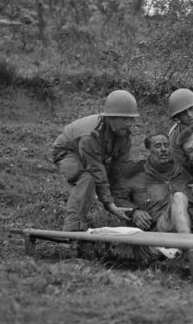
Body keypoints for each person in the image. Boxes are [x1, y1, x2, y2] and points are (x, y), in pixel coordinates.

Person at [51, 90, 139, 232]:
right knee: (87, 179)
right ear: (111, 117)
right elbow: (96, 169)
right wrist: (109, 204)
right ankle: (72, 227)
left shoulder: (124, 136)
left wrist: (120, 200)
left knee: (112, 174)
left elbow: (119, 169)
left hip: (93, 155)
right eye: (125, 119)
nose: (129, 123)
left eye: (132, 119)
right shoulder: (91, 136)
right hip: (66, 152)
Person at [114, 133, 193, 235]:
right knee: (179, 197)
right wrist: (134, 212)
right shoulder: (135, 173)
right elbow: (117, 197)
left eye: (166, 145)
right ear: (149, 150)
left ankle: (190, 242)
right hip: (160, 227)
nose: (163, 149)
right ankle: (188, 244)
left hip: (192, 225)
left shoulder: (181, 171)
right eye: (158, 146)